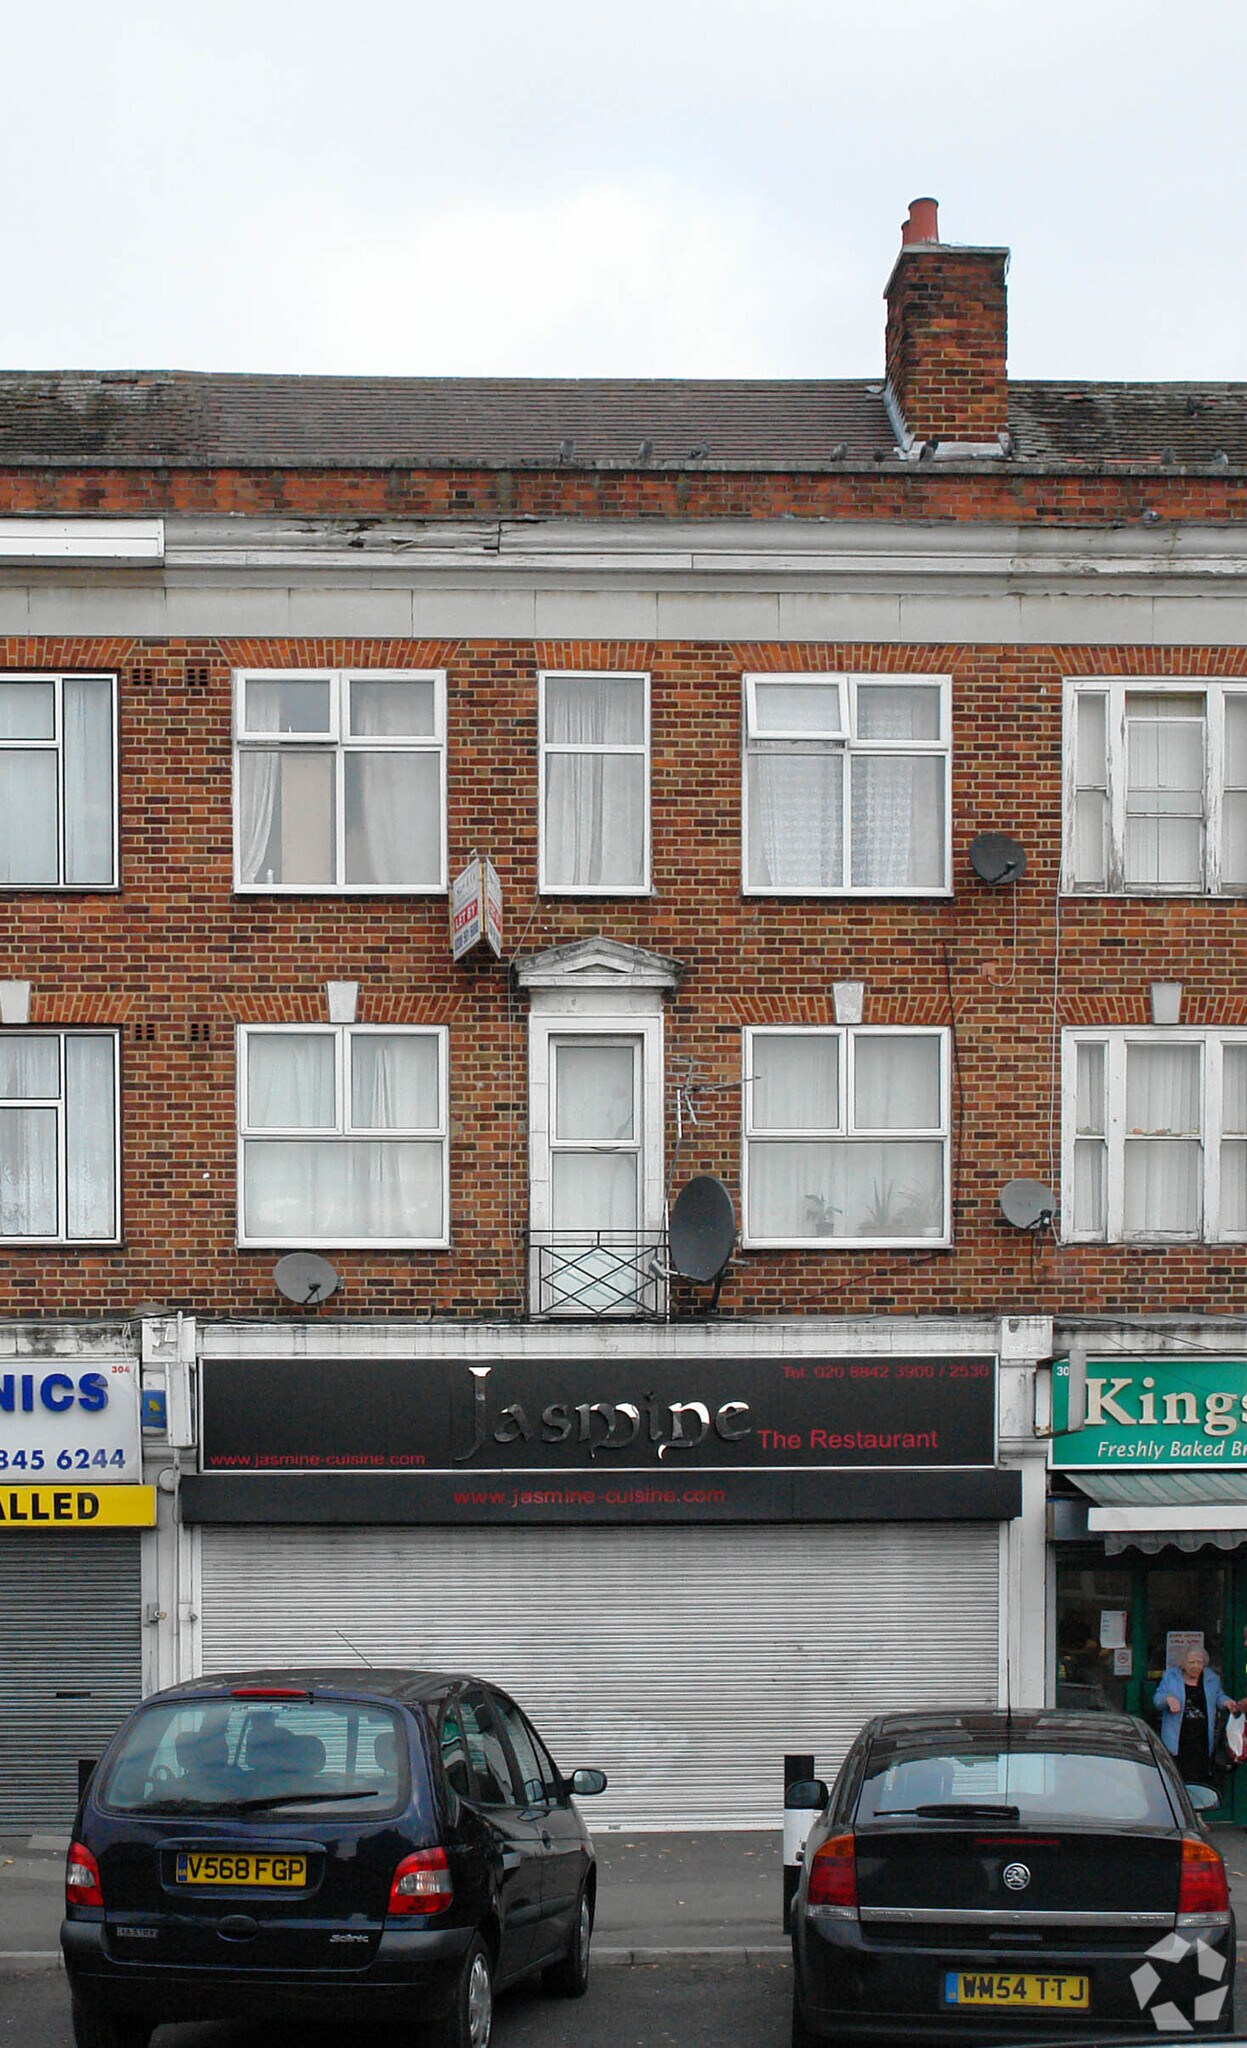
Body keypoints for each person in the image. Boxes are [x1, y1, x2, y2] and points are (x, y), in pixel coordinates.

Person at [1153, 1646, 1244, 1784]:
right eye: (1191, 1662)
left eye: (1199, 1662)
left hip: (1202, 1737)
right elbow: (1157, 1699)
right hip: (1179, 1737)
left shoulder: (1212, 1678)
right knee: (1177, 1776)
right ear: (1182, 1664)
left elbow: (1218, 1696)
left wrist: (1226, 1702)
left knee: (1200, 1775)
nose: (1196, 1666)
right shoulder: (1171, 1677)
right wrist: (1168, 1699)